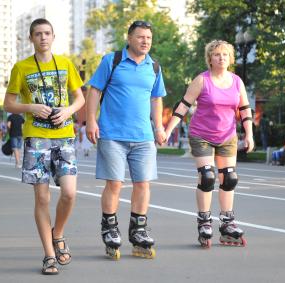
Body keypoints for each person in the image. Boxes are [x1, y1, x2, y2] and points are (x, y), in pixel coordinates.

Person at [3, 18, 85, 275]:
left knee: (70, 193)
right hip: (36, 137)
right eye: (38, 34)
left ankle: (57, 233)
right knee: (42, 197)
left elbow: (80, 97)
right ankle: (49, 255)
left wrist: (69, 111)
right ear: (31, 38)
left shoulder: (65, 64)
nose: (43, 38)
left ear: (53, 36)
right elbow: (8, 103)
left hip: (64, 135)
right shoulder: (21, 67)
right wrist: (31, 107)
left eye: (47, 33)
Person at [86, 20, 166, 260]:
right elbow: (94, 91)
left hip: (143, 137)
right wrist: (91, 120)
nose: (145, 42)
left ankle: (138, 230)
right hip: (113, 135)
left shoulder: (154, 67)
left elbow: (156, 98)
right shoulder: (112, 60)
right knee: (115, 184)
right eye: (141, 37)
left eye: (149, 38)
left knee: (143, 184)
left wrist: (159, 127)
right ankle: (110, 228)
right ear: (129, 38)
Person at [164, 39, 254, 248]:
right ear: (210, 59)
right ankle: (204, 222)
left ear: (230, 59)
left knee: (229, 178)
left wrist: (249, 134)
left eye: (225, 54)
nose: (221, 57)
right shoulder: (202, 80)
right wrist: (168, 130)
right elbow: (183, 106)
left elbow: (245, 109)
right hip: (202, 134)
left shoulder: (237, 81)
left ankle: (227, 223)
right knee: (207, 176)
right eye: (217, 54)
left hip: (227, 135)